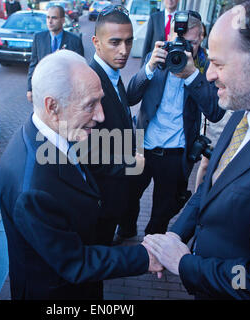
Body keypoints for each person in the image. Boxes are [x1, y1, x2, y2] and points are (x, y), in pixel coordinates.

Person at [144, 0, 250, 299]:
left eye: (219, 64)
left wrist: (183, 263)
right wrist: (175, 235)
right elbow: (210, 188)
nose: (208, 74)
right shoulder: (247, 101)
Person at [0, 49, 162, 300]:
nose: (101, 116)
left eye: (100, 101)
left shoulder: (58, 131)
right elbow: (75, 263)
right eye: (90, 105)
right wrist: (145, 257)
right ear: (52, 106)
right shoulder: (32, 189)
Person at [115, 13, 225, 241]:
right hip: (141, 147)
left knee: (162, 211)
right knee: (126, 197)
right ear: (170, 36)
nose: (184, 47)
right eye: (180, 39)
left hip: (175, 153)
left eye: (192, 43)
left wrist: (192, 75)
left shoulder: (205, 65)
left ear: (201, 40)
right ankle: (126, 230)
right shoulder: (158, 57)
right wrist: (149, 68)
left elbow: (215, 112)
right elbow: (130, 97)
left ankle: (151, 247)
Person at [87, 5, 144, 245]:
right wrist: (131, 163)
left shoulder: (112, 73)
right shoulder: (90, 84)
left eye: (129, 42)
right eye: (115, 42)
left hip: (116, 191)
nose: (124, 51)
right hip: (102, 199)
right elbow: (84, 153)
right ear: (96, 42)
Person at [26, 5, 84, 103]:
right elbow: (33, 64)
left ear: (62, 20)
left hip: (66, 92)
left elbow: (80, 69)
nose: (50, 21)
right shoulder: (38, 38)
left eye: (54, 18)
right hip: (44, 90)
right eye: (48, 17)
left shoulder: (75, 41)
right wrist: (29, 88)